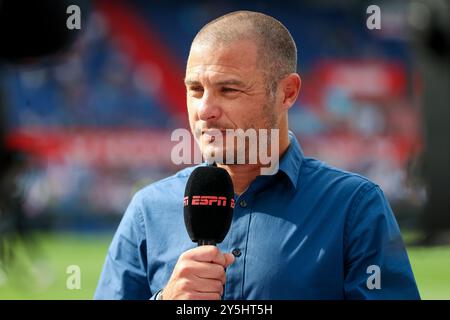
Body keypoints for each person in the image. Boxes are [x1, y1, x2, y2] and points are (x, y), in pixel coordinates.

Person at [94, 11, 420, 300]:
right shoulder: (148, 210)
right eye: (195, 89)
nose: (204, 110)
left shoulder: (354, 206)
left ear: (287, 93)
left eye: (229, 89)